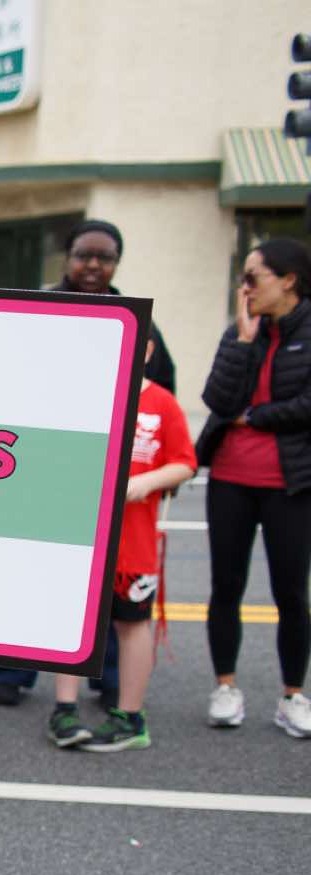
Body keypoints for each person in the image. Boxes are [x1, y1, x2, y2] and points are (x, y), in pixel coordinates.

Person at [0, 218, 172, 706]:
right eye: (84, 255)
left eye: (104, 257)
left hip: (106, 470)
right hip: (43, 459)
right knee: (33, 576)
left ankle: (107, 678)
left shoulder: (135, 318)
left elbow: (161, 390)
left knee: (103, 582)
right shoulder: (42, 309)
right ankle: (12, 672)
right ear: (67, 258)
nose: (93, 265)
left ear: (117, 263)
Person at [46, 338, 195, 752]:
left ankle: (130, 716)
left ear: (148, 349)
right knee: (73, 621)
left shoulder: (162, 403)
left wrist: (144, 482)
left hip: (135, 539)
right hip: (81, 534)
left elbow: (185, 462)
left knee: (132, 623)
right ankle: (64, 708)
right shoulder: (86, 395)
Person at [196, 237, 311, 738]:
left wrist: (257, 416)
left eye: (252, 277)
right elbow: (218, 399)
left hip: (291, 482)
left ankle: (292, 695)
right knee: (226, 586)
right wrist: (243, 344)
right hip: (229, 479)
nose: (244, 288)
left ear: (288, 280)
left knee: (291, 591)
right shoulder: (240, 331)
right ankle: (225, 687)